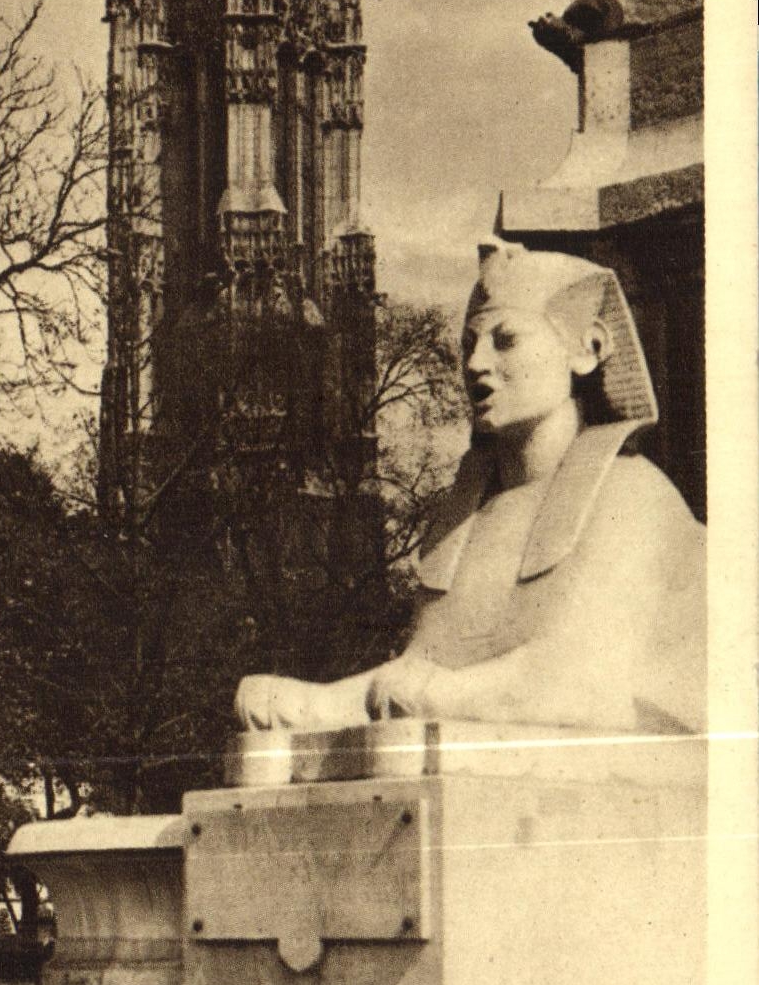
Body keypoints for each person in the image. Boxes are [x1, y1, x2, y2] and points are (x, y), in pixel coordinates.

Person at [235, 240, 705, 735]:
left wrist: (434, 694)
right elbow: (414, 675)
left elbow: (581, 682)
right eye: (468, 345)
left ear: (588, 350)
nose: (475, 363)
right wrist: (324, 705)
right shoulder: (466, 516)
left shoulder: (633, 496)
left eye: (506, 340)